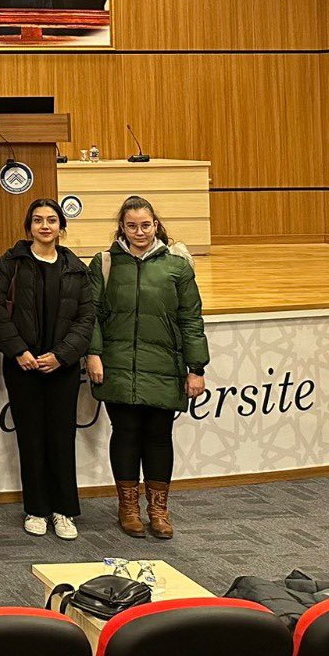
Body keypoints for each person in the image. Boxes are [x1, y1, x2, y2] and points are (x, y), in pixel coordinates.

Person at [87, 196, 208, 541]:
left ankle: (158, 510)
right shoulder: (105, 263)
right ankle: (128, 508)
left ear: (156, 225)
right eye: (132, 226)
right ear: (122, 228)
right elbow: (91, 314)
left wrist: (196, 368)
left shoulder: (178, 266)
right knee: (125, 435)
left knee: (158, 438)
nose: (139, 232)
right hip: (117, 364)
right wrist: (93, 354)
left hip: (164, 366)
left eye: (145, 225)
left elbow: (191, 319)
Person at [0, 198, 95, 539]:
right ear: (29, 227)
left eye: (51, 220)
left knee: (62, 438)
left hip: (62, 368)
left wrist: (62, 355)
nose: (44, 226)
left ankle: (64, 511)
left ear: (61, 227)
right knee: (31, 439)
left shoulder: (76, 268)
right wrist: (18, 350)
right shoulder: (11, 262)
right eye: (37, 220)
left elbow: (86, 318)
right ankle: (36, 509)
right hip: (23, 367)